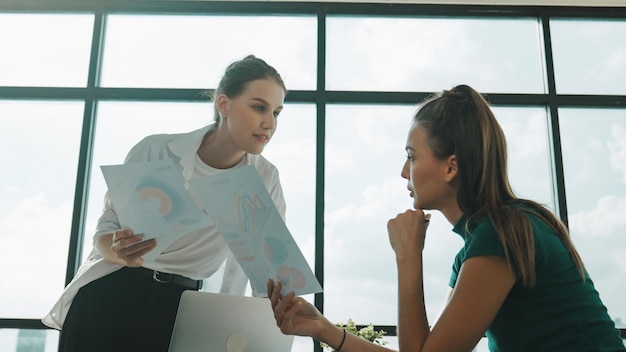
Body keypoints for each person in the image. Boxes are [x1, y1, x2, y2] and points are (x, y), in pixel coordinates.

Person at [268, 84, 625, 351]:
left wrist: (408, 258)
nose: (404, 172)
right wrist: (324, 329)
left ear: (451, 166)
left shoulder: (504, 232)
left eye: (412, 156)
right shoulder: (480, 245)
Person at [42, 55, 288, 352]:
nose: (269, 123)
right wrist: (120, 252)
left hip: (184, 308)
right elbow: (105, 232)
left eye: (276, 112)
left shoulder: (264, 178)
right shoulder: (156, 150)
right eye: (259, 107)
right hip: (111, 295)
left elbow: (270, 274)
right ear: (224, 105)